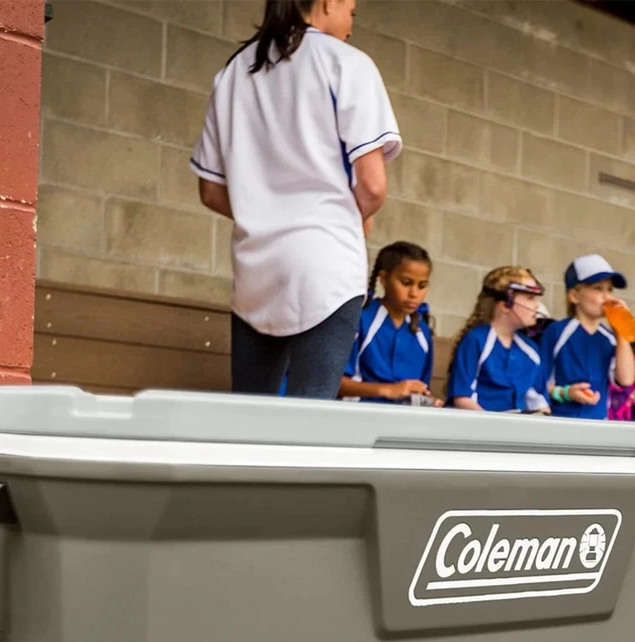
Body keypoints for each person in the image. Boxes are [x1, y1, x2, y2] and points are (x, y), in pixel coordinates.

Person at [190, 0, 401, 399]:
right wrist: (351, 215)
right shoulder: (348, 63)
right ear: (329, 2)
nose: (351, 25)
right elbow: (373, 186)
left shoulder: (233, 71)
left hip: (255, 270)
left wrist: (265, 212)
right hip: (327, 263)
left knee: (251, 418)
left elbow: (211, 190)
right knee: (311, 419)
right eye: (352, 12)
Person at [339, 241, 441, 405]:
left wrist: (430, 401)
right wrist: (387, 390)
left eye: (422, 286)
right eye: (406, 283)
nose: (414, 293)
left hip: (404, 419)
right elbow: (334, 383)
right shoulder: (361, 319)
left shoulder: (422, 332)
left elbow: (422, 388)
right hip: (358, 415)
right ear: (384, 279)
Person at [545, 254, 635, 419]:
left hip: (598, 421)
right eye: (598, 288)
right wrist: (566, 393)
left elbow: (626, 379)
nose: (607, 297)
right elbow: (535, 385)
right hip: (561, 420)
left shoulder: (609, 338)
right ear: (574, 296)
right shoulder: (557, 331)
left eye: (609, 290)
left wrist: (621, 331)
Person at [446, 266, 550, 413]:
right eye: (530, 298)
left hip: (515, 425)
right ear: (505, 305)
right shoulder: (476, 340)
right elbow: (462, 398)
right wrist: (493, 425)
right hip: (476, 424)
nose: (536, 306)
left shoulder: (531, 350)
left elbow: (538, 401)